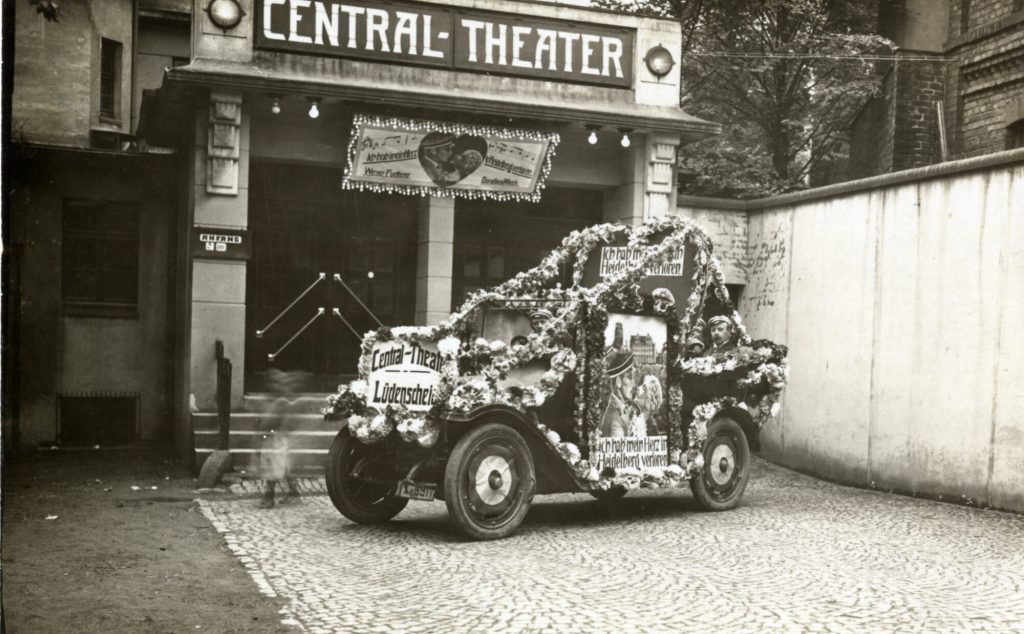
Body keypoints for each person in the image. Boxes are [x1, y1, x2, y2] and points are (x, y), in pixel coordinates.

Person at [258, 369, 302, 508]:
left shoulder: (282, 402)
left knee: (275, 466)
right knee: (283, 465)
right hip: (274, 436)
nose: (274, 385)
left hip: (277, 437)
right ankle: (293, 492)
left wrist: (267, 429)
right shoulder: (274, 400)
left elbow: (274, 420)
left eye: (277, 382)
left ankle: (269, 496)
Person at [599, 351, 641, 438]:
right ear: (618, 382)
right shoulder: (616, 419)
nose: (633, 384)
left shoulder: (618, 410)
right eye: (629, 377)